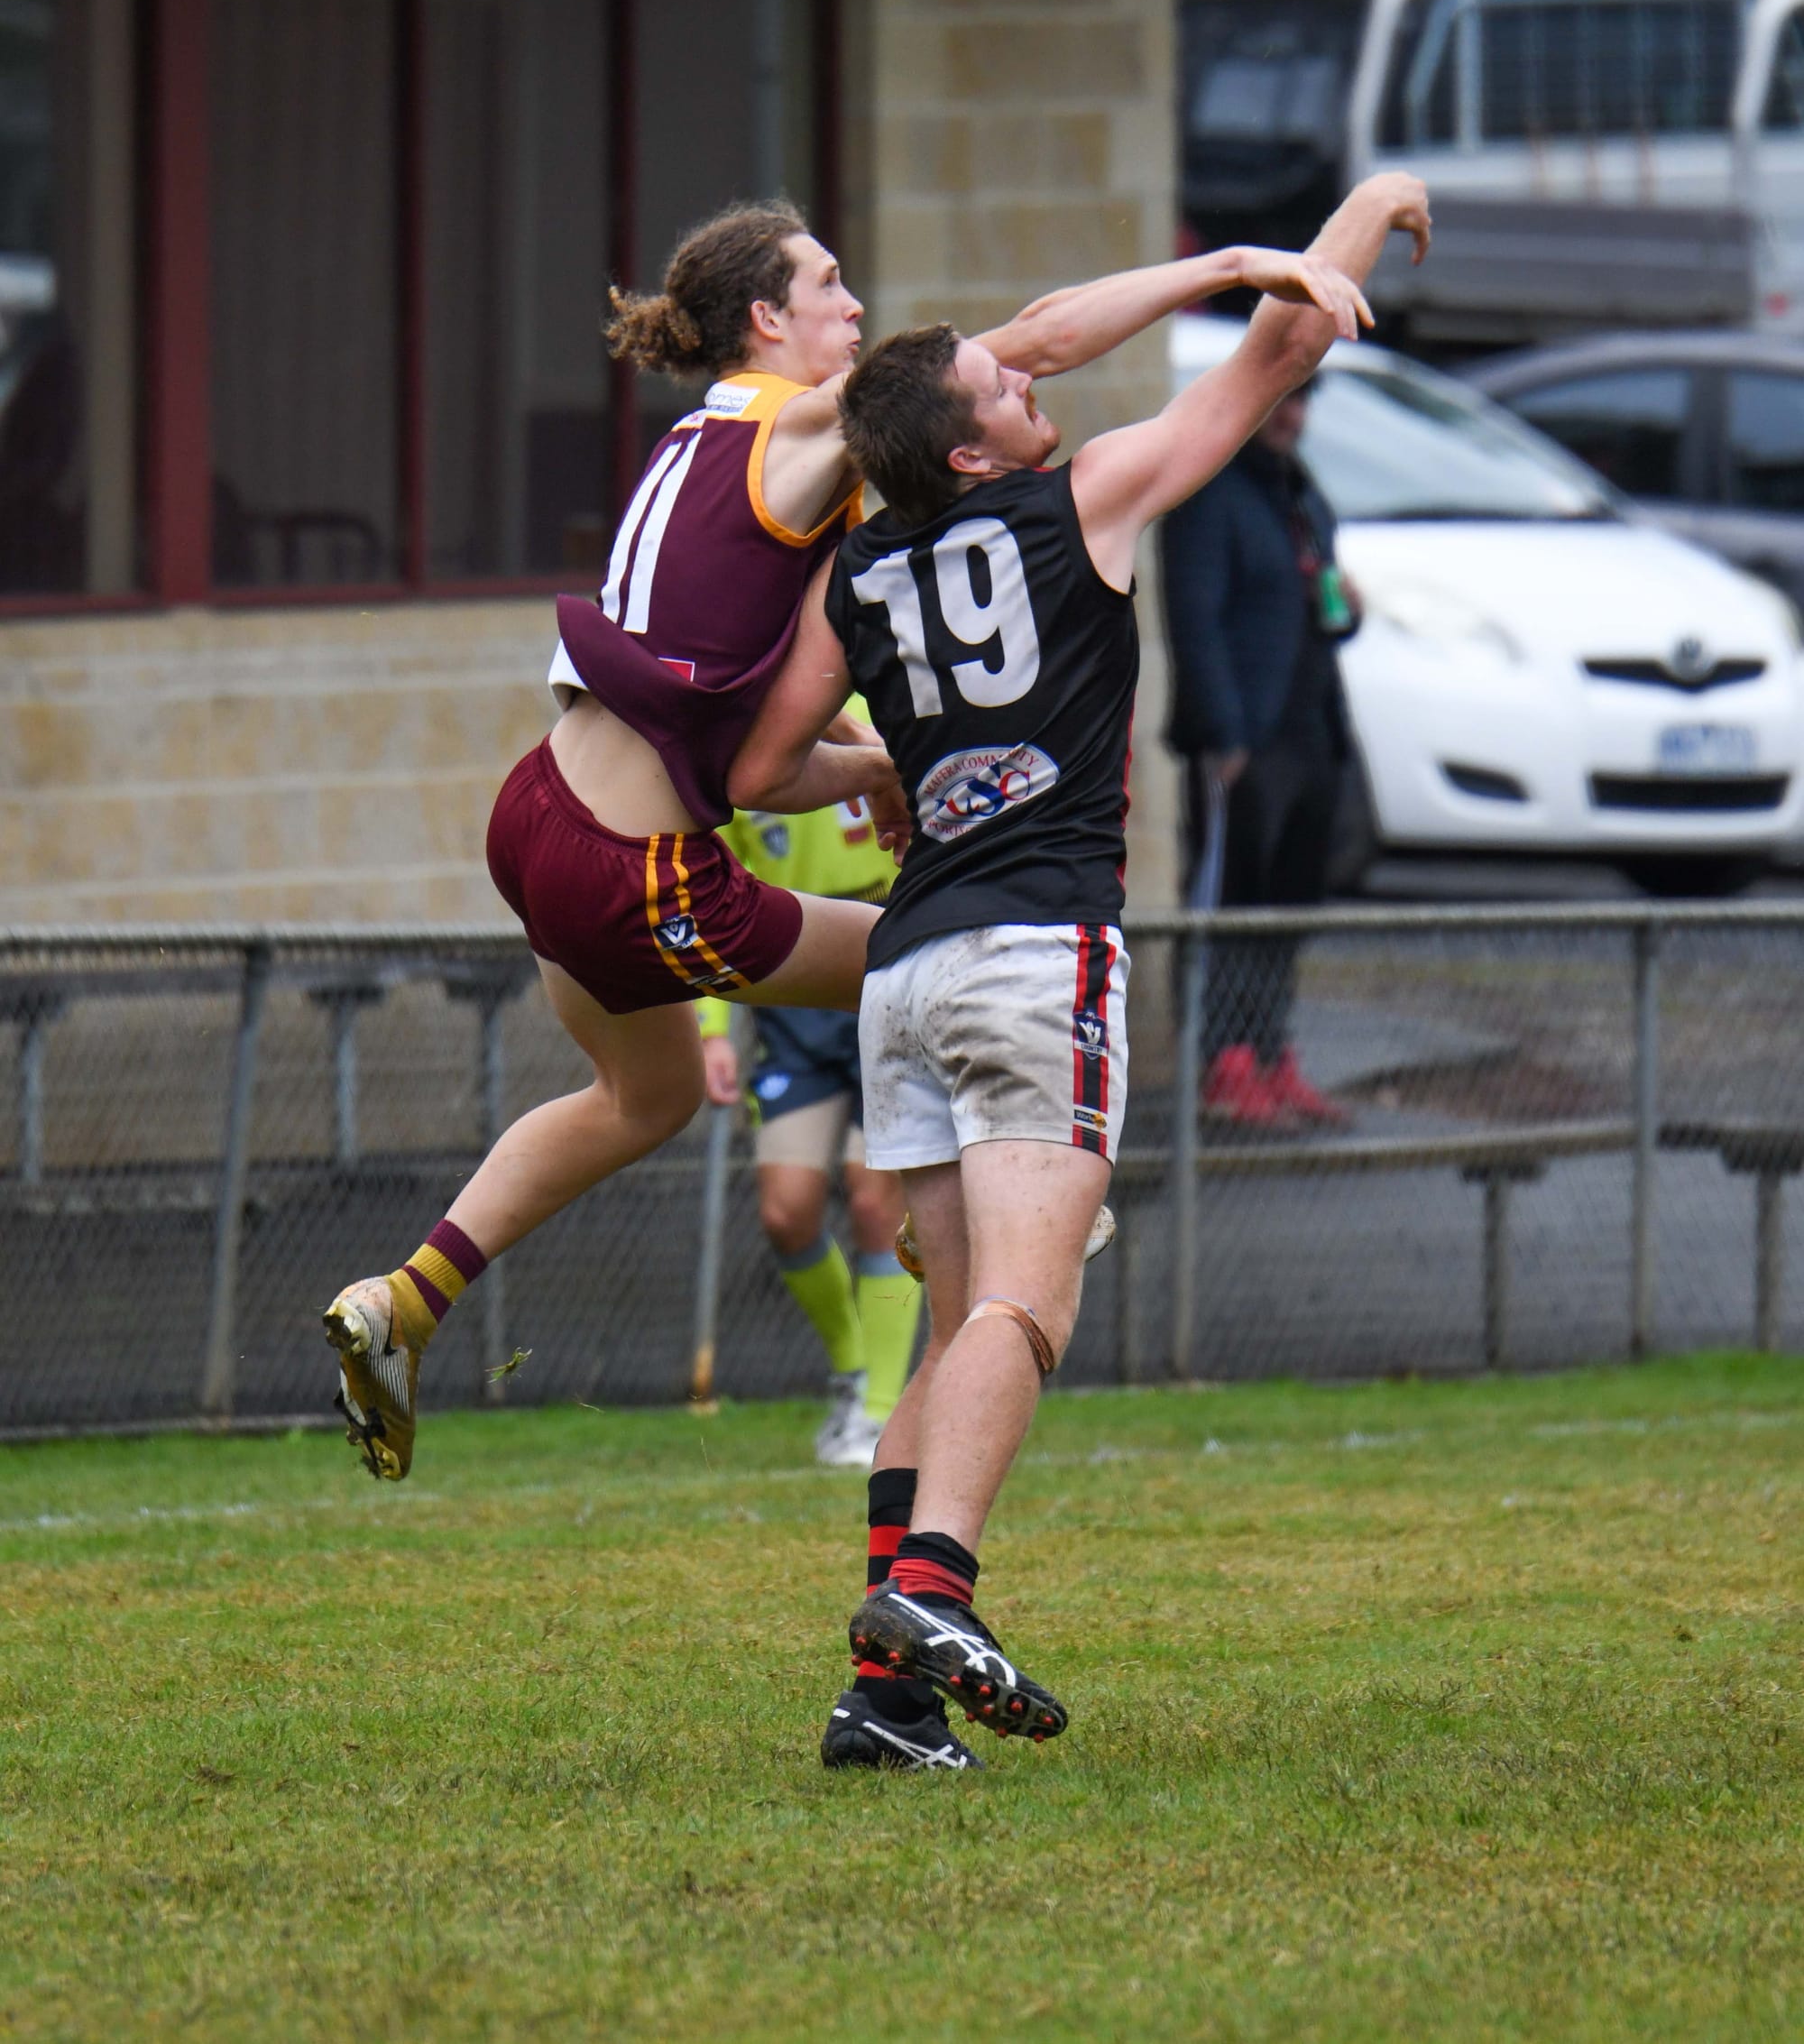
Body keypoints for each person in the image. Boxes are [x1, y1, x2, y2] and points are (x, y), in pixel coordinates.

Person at [322, 197, 1331, 1482]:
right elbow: (1030, 345)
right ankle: (985, 1203)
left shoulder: (697, 442)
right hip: (642, 861)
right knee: (942, 946)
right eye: (830, 286)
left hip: (538, 813)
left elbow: (752, 760)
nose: (854, 312)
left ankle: (404, 1300)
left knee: (647, 1096)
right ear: (767, 319)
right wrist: (1231, 265)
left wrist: (868, 764)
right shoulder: (797, 418)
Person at [730, 170, 1429, 1771]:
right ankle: (939, 1592)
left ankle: (885, 1699)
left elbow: (766, 766)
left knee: (961, 1315)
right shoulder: (1083, 499)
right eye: (1001, 386)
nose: (1030, 376)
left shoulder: (859, 574)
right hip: (1040, 948)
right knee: (1029, 1314)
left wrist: (888, 774)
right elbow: (1275, 359)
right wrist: (1363, 211)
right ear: (972, 449)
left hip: (904, 970)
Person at [695, 723, 920, 1471]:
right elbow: (715, 887)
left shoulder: (875, 707)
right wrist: (713, 1027)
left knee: (872, 1196)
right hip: (794, 981)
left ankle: (884, 1413)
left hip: (887, 965)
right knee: (786, 1210)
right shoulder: (742, 741)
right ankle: (855, 1371)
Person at [1160, 378, 1359, 1128]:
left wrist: (1347, 609)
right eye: (1281, 401)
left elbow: (1324, 602)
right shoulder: (1211, 495)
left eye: (1304, 402)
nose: (1293, 418)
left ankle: (1273, 1050)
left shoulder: (1303, 496)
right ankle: (1224, 1059)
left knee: (1289, 901)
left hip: (1311, 729)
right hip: (1245, 739)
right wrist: (1221, 733)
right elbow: (1195, 621)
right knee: (1230, 899)